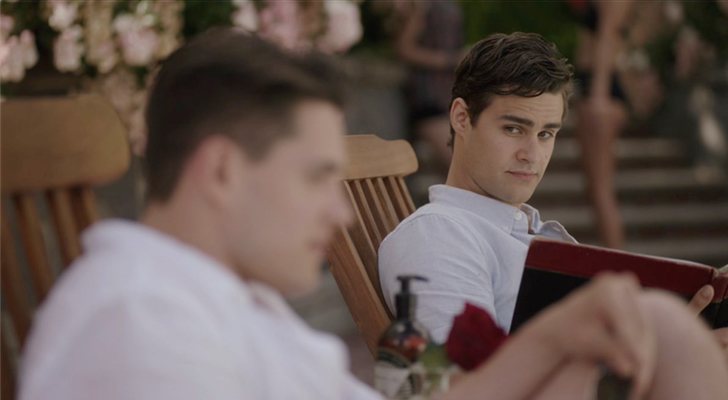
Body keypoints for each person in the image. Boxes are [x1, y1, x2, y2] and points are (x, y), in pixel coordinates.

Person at [18, 28, 727, 400]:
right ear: (224, 170)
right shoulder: (141, 321)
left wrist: (563, 338)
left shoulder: (240, 313)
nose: (339, 212)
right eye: (316, 177)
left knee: (661, 327)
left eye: (546, 133)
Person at [378, 32, 727, 348]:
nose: (532, 155)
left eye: (546, 134)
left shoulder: (526, 234)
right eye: (514, 129)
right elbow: (463, 380)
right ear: (461, 118)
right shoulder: (438, 235)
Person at [570, 0, 633, 249]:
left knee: (601, 190)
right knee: (595, 190)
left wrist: (599, 94)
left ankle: (619, 261)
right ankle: (613, 257)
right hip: (594, 85)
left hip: (602, 88)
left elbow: (609, 35)